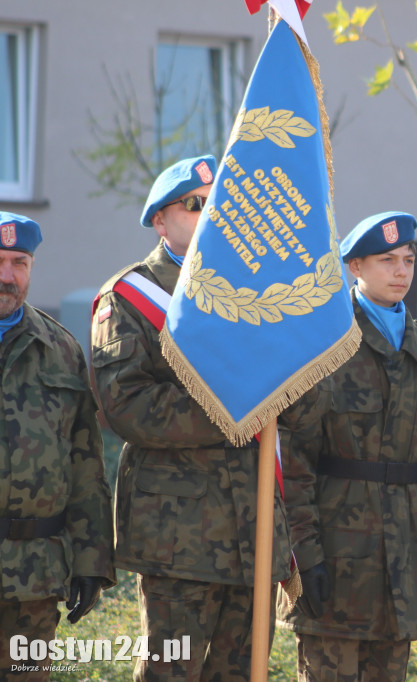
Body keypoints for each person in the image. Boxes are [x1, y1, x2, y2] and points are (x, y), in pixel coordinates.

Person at [90, 156, 294, 681]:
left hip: (254, 534)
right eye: (195, 205)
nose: (211, 215)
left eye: (221, 204)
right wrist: (230, 410)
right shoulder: (130, 296)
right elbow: (129, 407)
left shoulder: (255, 295)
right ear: (160, 220)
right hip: (177, 539)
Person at [276, 211, 417, 682]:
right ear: (355, 267)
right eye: (387, 260)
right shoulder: (324, 342)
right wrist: (303, 557)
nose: (402, 271)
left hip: (405, 568)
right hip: (335, 565)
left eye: (408, 259)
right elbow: (292, 461)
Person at [0, 212, 114, 679]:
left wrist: (92, 562)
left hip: (34, 576)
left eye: (20, 263)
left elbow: (86, 465)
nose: (8, 276)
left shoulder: (61, 350)